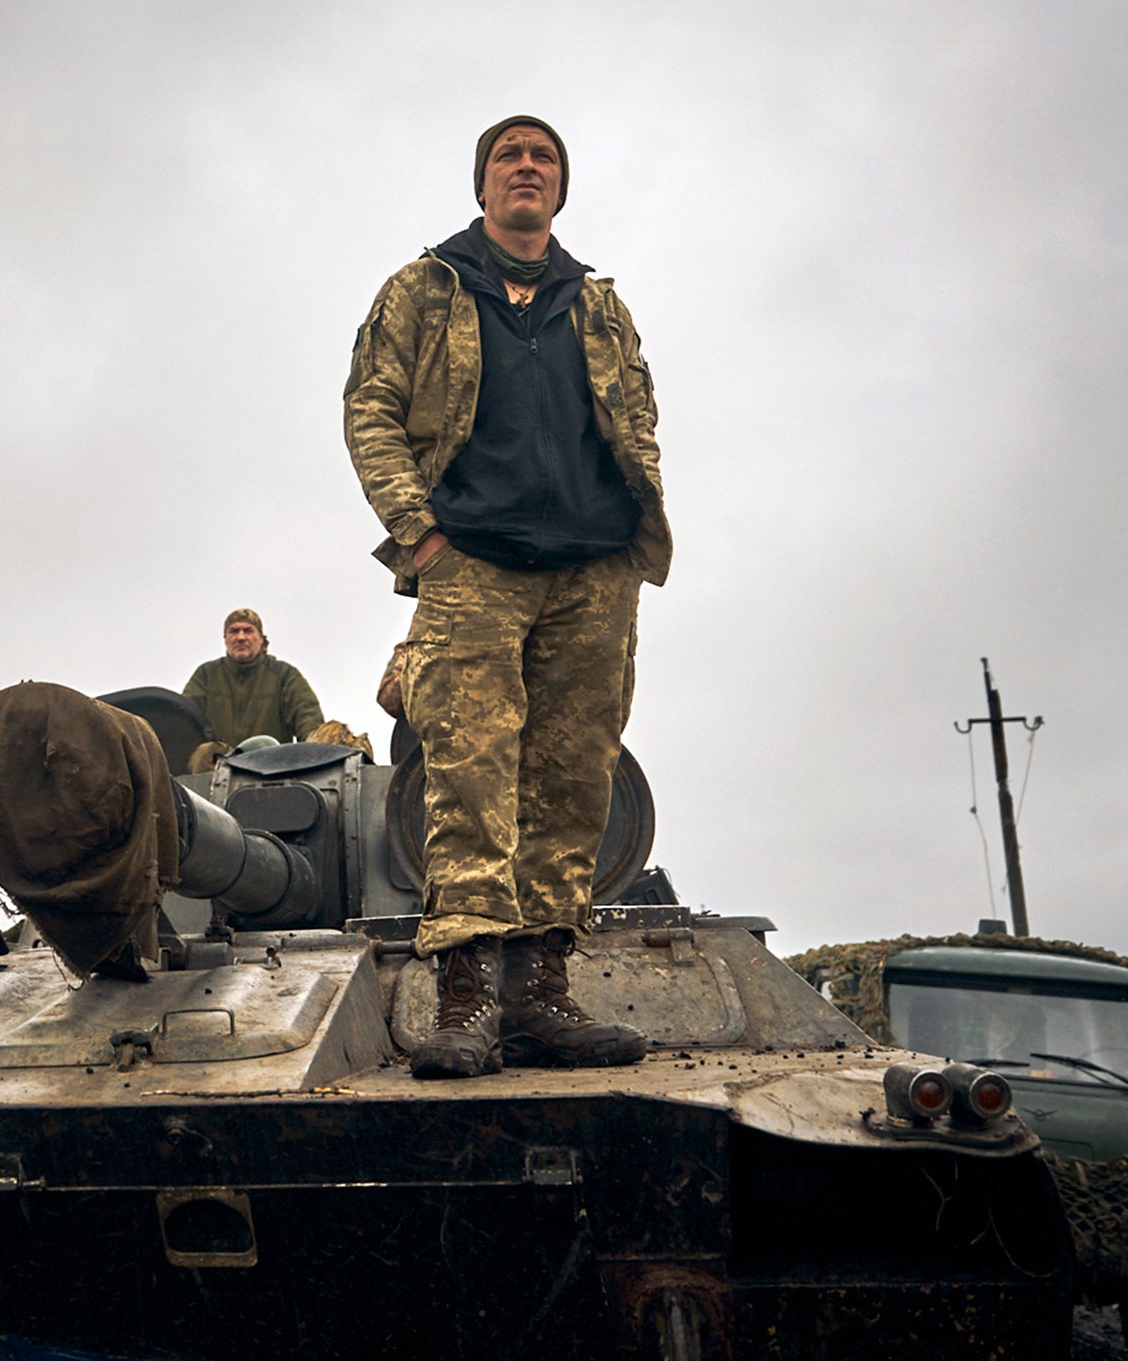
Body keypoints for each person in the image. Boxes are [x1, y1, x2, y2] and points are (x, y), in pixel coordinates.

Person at [344, 116, 672, 1079]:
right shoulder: (426, 288)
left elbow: (637, 414)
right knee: (470, 776)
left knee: (573, 781)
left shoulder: (599, 306)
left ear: (559, 191)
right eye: (507, 158)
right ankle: (467, 1002)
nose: (525, 169)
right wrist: (423, 537)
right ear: (483, 187)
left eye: (543, 159)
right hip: (472, 566)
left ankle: (541, 1000)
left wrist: (630, 531)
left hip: (594, 570)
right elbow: (371, 408)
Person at [181, 608, 324, 748]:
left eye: (248, 631)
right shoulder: (206, 675)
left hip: (271, 766)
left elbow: (308, 720)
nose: (241, 637)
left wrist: (316, 753)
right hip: (216, 767)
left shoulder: (284, 675)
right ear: (225, 640)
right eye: (234, 631)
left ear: (261, 639)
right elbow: (183, 721)